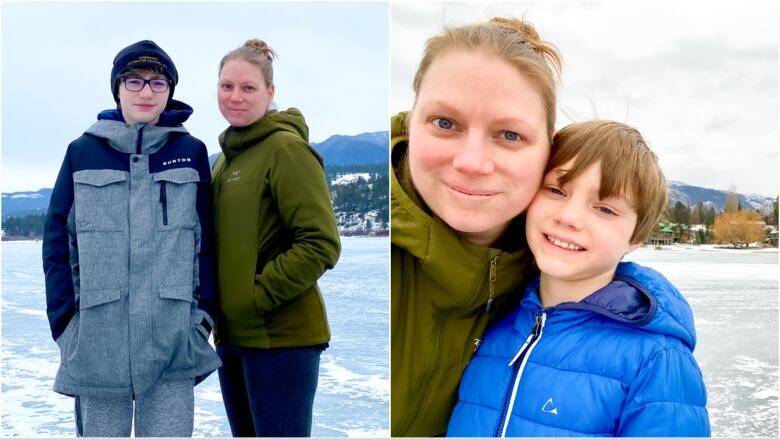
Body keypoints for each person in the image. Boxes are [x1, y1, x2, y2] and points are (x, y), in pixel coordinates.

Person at [447, 120, 711, 436]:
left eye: (605, 209)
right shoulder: (498, 324)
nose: (569, 217)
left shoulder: (657, 361)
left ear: (635, 237)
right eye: (556, 190)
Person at [391, 17, 563, 437]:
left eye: (509, 134)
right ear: (413, 122)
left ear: (549, 147)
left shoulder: (565, 279)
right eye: (445, 124)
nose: (472, 162)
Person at [42, 40, 221, 437]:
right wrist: (66, 325)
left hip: (174, 340)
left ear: (169, 91)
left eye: (158, 83)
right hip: (97, 343)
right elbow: (58, 244)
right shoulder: (82, 151)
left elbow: (206, 245)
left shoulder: (190, 152)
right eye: (135, 81)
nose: (146, 91)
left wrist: (201, 320)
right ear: (117, 88)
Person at [211, 39, 341, 437]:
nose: (235, 97)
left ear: (270, 93)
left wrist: (257, 298)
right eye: (226, 86)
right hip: (233, 337)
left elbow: (320, 242)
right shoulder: (225, 160)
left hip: (281, 339)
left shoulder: (285, 149)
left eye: (248, 88)